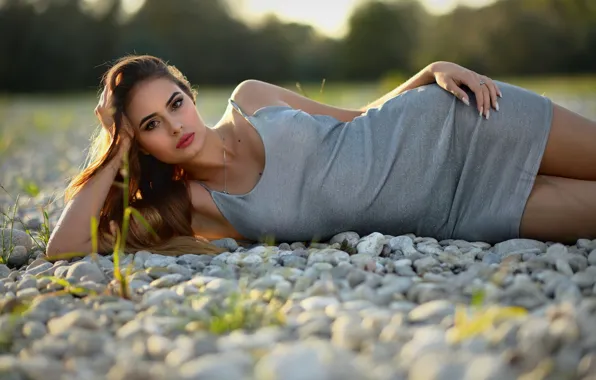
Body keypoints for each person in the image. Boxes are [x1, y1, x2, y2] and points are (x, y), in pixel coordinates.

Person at [46, 55, 596, 257]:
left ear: (190, 96)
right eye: (151, 126)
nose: (175, 126)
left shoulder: (252, 98)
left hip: (457, 122)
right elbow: (64, 246)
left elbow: (360, 119)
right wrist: (115, 147)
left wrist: (430, 74)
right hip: (459, 214)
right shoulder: (196, 203)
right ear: (140, 143)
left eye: (175, 104)